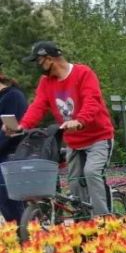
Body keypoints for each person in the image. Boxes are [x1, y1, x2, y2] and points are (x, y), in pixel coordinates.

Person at [12, 41, 116, 217]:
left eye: (38, 61)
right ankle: (84, 223)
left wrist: (80, 120)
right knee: (75, 183)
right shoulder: (46, 82)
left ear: (50, 59)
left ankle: (105, 220)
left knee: (91, 173)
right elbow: (38, 106)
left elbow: (92, 100)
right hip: (74, 143)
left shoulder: (83, 73)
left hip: (99, 138)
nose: (37, 65)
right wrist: (23, 126)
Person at [0, 74, 28, 222]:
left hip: (12, 155)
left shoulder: (13, 97)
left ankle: (24, 236)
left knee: (8, 197)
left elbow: (10, 131)